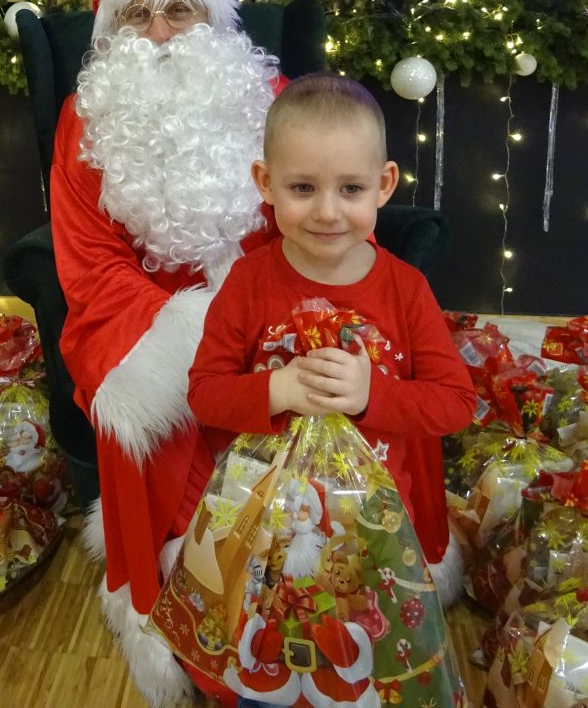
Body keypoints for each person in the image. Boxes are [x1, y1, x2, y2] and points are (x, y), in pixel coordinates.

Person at [50, 0, 285, 706]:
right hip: (135, 321)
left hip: (264, 308)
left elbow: (309, 221)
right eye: (137, 15)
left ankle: (274, 593)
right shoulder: (83, 118)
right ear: (112, 30)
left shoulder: (272, 99)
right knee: (147, 416)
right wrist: (183, 333)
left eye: (179, 11)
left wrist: (250, 323)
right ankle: (167, 608)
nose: (158, 32)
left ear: (211, 22)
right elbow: (87, 256)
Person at [188, 73, 476, 616]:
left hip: (375, 528)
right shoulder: (247, 283)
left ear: (384, 185)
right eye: (303, 188)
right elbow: (204, 395)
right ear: (265, 182)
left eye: (351, 189)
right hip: (264, 528)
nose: (327, 211)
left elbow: (456, 403)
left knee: (362, 642)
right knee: (266, 643)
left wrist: (373, 395)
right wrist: (276, 389)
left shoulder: (406, 289)